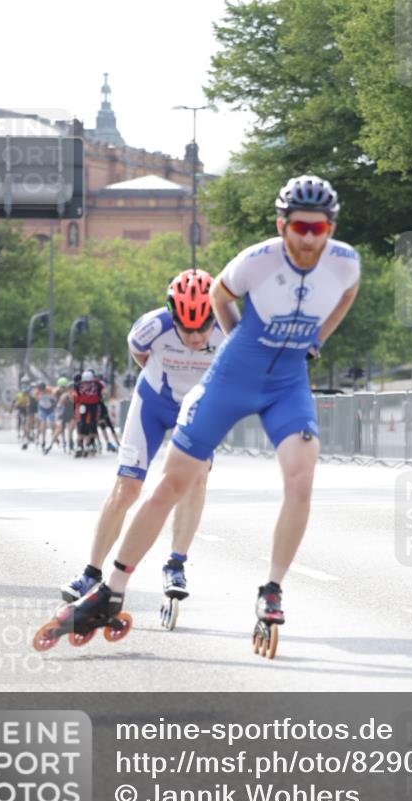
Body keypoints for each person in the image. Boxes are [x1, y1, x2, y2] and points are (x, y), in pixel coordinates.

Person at [63, 176, 360, 636]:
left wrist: (317, 340)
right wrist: (239, 341)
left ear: (331, 228)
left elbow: (347, 295)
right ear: (281, 225)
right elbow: (220, 294)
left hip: (286, 384)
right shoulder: (257, 260)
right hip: (231, 379)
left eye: (317, 230)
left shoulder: (345, 263)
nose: (307, 240)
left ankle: (271, 589)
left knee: (301, 479)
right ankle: (111, 586)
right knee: (170, 484)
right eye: (299, 228)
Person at [59, 269, 223, 604]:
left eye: (203, 327)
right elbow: (139, 353)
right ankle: (91, 572)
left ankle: (176, 565)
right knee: (127, 488)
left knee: (196, 480)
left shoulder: (231, 329)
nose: (195, 337)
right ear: (173, 317)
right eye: (186, 328)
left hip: (197, 408)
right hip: (153, 403)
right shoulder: (151, 326)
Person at [73, 369, 104, 457]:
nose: (87, 384)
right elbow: (76, 395)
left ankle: (91, 443)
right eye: (85, 382)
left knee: (93, 424)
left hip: (94, 405)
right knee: (82, 424)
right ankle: (80, 445)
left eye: (89, 382)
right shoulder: (78, 385)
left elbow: (102, 389)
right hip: (84, 404)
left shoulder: (97, 384)